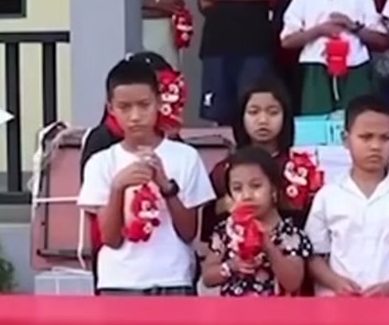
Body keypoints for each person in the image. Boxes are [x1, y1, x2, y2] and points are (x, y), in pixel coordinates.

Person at [77, 59, 215, 295]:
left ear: (159, 103)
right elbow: (110, 239)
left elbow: (188, 233)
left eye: (144, 105)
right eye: (124, 107)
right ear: (111, 109)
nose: (135, 116)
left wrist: (166, 186)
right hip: (118, 281)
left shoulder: (185, 157)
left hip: (173, 279)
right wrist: (117, 188)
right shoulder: (101, 162)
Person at [306, 96, 389, 297]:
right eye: (366, 137)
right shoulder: (328, 195)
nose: (375, 146)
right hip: (340, 303)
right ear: (345, 139)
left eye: (385, 138)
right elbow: (314, 255)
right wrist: (335, 282)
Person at [280, 0, 389, 114]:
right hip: (316, 66)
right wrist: (319, 30)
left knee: (356, 118)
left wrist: (353, 27)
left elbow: (382, 41)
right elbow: (286, 41)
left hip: (355, 66)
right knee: (316, 120)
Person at [202, 146, 312, 296]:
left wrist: (267, 245)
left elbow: (292, 282)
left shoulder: (290, 234)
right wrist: (230, 266)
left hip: (277, 310)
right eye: (237, 188)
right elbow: (207, 277)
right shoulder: (227, 231)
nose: (247, 195)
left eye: (256, 186)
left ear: (274, 188)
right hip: (233, 310)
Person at [205, 78, 296, 237]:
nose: (263, 120)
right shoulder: (224, 170)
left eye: (273, 112)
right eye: (253, 112)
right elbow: (205, 224)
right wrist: (223, 205)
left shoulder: (299, 169)